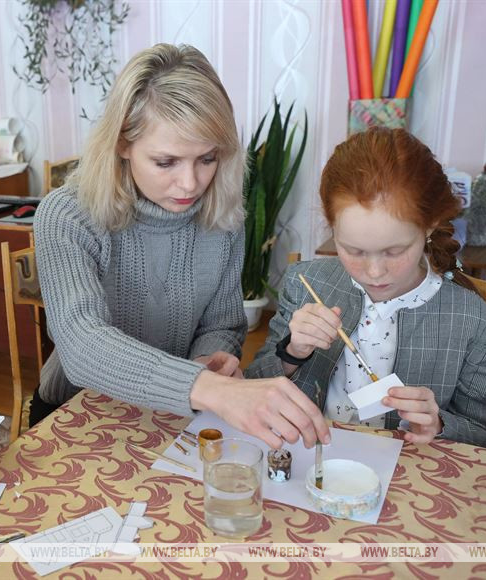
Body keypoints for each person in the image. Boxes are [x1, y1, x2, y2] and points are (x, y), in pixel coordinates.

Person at [32, 43, 330, 451]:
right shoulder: (67, 215)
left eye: (207, 159)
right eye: (166, 162)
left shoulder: (223, 217)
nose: (190, 184)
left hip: (177, 415)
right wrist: (210, 388)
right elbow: (82, 344)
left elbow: (221, 324)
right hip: (77, 415)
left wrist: (210, 358)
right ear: (122, 143)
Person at [246, 127, 486, 447]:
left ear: (429, 227)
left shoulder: (479, 326)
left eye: (394, 251)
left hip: (408, 471)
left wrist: (439, 424)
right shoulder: (306, 285)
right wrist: (292, 352)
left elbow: (480, 438)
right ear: (333, 228)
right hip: (311, 459)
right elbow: (253, 384)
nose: (374, 272)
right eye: (354, 250)